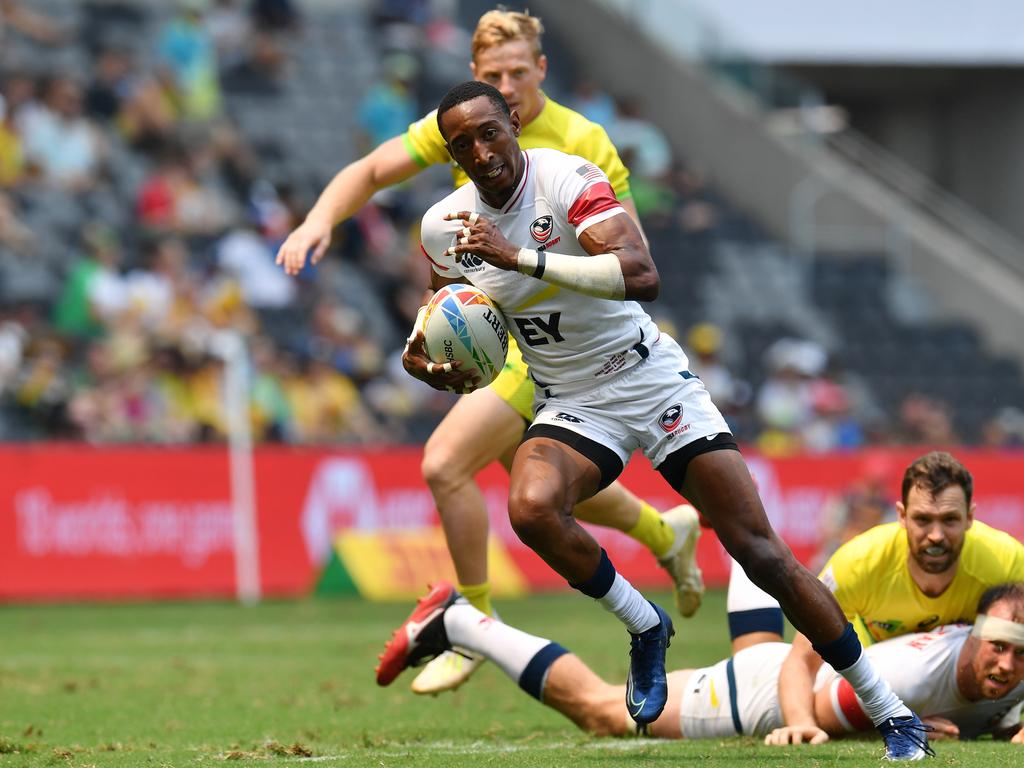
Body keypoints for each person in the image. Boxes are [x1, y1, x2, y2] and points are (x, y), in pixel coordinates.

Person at [400, 80, 929, 757]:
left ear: (512, 122)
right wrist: (431, 362)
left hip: (650, 381)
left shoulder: (566, 179)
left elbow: (642, 274)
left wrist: (522, 257)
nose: (481, 149)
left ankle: (891, 711)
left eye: (489, 131)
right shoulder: (442, 226)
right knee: (531, 509)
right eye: (463, 142)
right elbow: (444, 318)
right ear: (453, 153)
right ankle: (645, 624)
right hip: (571, 399)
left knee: (760, 553)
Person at [276, 8, 704, 695]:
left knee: (445, 465)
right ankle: (663, 534)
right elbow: (373, 168)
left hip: (569, 344)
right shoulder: (459, 125)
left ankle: (475, 626)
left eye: (519, 71)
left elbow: (626, 261)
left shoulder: (581, 139)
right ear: (479, 76)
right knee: (526, 478)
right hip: (504, 332)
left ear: (540, 69)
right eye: (494, 73)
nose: (509, 83)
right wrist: (318, 220)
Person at [376, 581, 1024, 749]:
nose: (1005, 664)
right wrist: (923, 725)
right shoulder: (915, 679)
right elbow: (828, 714)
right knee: (607, 711)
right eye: (997, 649)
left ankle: (715, 528)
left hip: (783, 661)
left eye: (1018, 656)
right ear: (971, 638)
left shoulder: (992, 648)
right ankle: (460, 621)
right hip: (765, 695)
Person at [772, 451, 1024, 744]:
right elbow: (802, 659)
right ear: (902, 516)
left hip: (962, 703)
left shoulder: (1006, 562)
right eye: (923, 520)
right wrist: (802, 724)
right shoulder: (858, 563)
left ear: (970, 517)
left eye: (950, 520)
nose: (936, 535)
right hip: (871, 696)